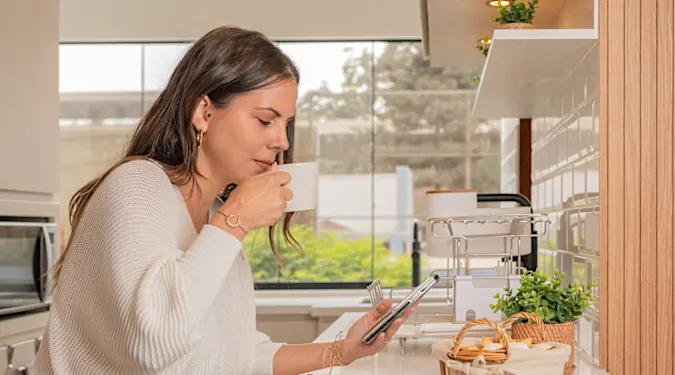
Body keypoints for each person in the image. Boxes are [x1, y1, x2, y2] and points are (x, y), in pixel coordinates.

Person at [34, 26, 418, 375]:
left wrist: (342, 352)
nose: (282, 141)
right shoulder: (137, 184)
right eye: (265, 120)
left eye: (286, 124)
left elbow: (232, 356)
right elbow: (153, 344)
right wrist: (235, 219)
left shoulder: (216, 216)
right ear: (204, 112)